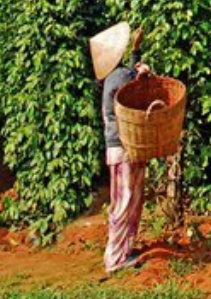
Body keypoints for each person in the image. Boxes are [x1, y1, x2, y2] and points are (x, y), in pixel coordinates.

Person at [90, 22, 150, 273]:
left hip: (115, 147)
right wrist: (144, 69)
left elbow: (131, 74)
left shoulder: (109, 77)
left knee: (128, 199)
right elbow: (141, 83)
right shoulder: (121, 77)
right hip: (124, 147)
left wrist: (136, 51)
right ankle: (114, 260)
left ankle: (124, 250)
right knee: (125, 202)